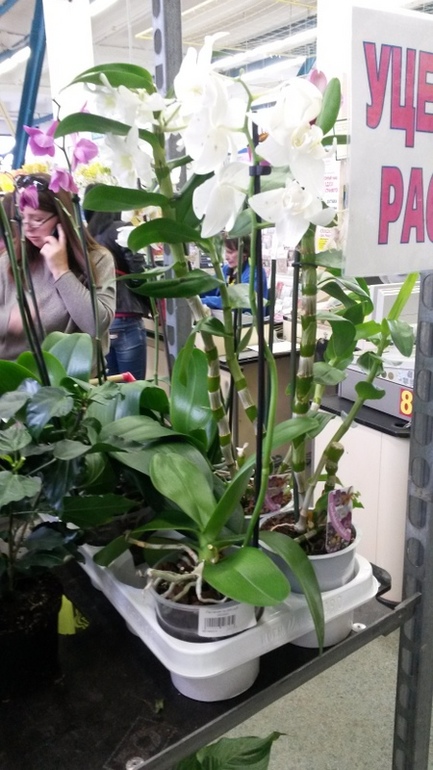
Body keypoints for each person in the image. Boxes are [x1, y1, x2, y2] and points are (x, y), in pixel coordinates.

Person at [0, 174, 116, 367]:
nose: (27, 228)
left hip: (73, 377)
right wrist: (9, 320)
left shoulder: (97, 259)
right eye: (21, 218)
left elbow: (97, 325)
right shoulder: (9, 260)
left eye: (37, 219)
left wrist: (61, 271)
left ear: (62, 219)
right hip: (14, 375)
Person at [84, 199, 149, 381]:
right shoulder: (122, 229)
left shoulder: (87, 235)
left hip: (101, 320)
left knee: (111, 386)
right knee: (134, 387)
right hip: (127, 315)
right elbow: (138, 273)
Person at [200, 235, 269, 311]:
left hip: (246, 317)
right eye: (226, 252)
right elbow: (210, 286)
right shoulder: (227, 269)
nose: (226, 257)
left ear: (245, 252)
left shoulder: (254, 273)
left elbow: (237, 300)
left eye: (230, 252)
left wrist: (202, 301)